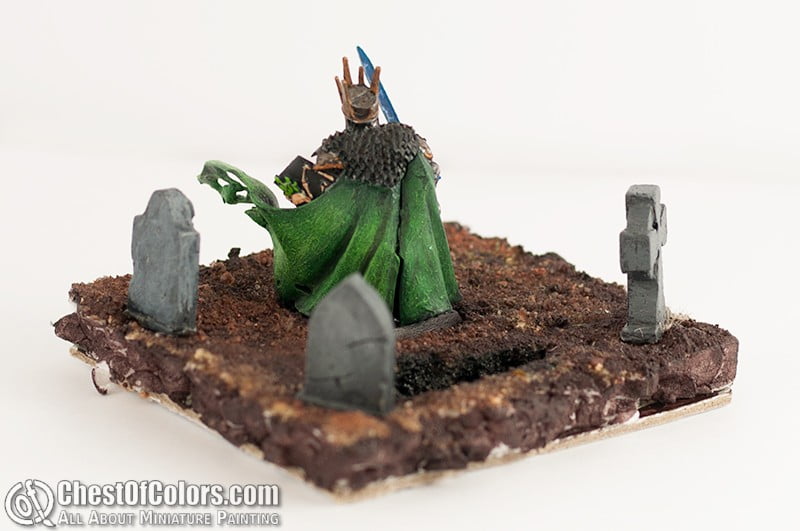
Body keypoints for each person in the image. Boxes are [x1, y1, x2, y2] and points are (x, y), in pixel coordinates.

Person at [199, 57, 460, 326]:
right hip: (373, 232)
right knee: (382, 259)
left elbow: (311, 185)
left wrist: (302, 195)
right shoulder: (399, 139)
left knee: (381, 260)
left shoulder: (351, 146)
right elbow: (429, 167)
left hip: (380, 234)